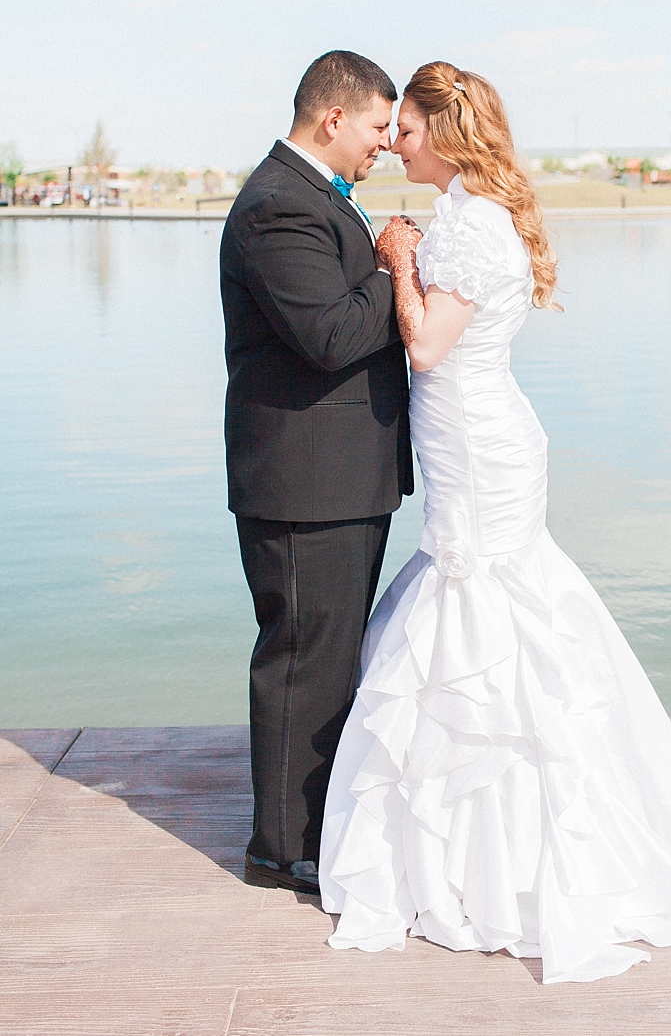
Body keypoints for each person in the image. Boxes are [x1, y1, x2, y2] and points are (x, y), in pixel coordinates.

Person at [318, 61, 671, 984]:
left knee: (482, 612)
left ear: (447, 132)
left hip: (477, 445)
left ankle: (495, 850)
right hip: (480, 440)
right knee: (482, 608)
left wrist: (393, 259)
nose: (396, 143)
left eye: (410, 129)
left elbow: (425, 347)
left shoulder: (469, 227)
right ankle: (472, 836)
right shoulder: (470, 218)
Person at [220, 50, 419, 895]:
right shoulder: (276, 207)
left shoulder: (312, 198)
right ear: (333, 118)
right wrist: (389, 266)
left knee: (330, 655)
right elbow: (332, 334)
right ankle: (283, 846)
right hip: (304, 481)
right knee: (305, 655)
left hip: (335, 475)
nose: (384, 143)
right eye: (379, 126)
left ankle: (309, 824)